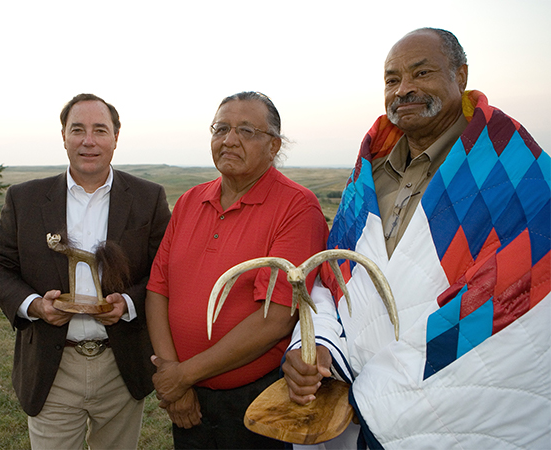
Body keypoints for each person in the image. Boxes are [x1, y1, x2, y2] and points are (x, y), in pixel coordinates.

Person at [283, 28, 550, 449]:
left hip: (452, 412)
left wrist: (380, 391)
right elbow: (332, 279)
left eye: (421, 73)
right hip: (347, 407)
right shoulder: (369, 173)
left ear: (460, 75)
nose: (404, 89)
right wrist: (316, 347)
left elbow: (522, 300)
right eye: (392, 80)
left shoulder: (515, 172)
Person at [0, 93, 171, 449]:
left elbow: (166, 272)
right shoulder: (24, 199)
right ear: (64, 136)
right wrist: (35, 305)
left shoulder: (149, 197)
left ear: (116, 137)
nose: (88, 140)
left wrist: (128, 304)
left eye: (100, 130)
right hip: (52, 366)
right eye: (77, 129)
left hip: (121, 366)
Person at [145, 91, 330, 448]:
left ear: (274, 145)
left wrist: (181, 375)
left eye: (246, 131)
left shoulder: (296, 207)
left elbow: (276, 317)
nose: (229, 140)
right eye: (221, 129)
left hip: (253, 402)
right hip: (188, 397)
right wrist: (174, 376)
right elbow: (158, 289)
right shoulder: (189, 201)